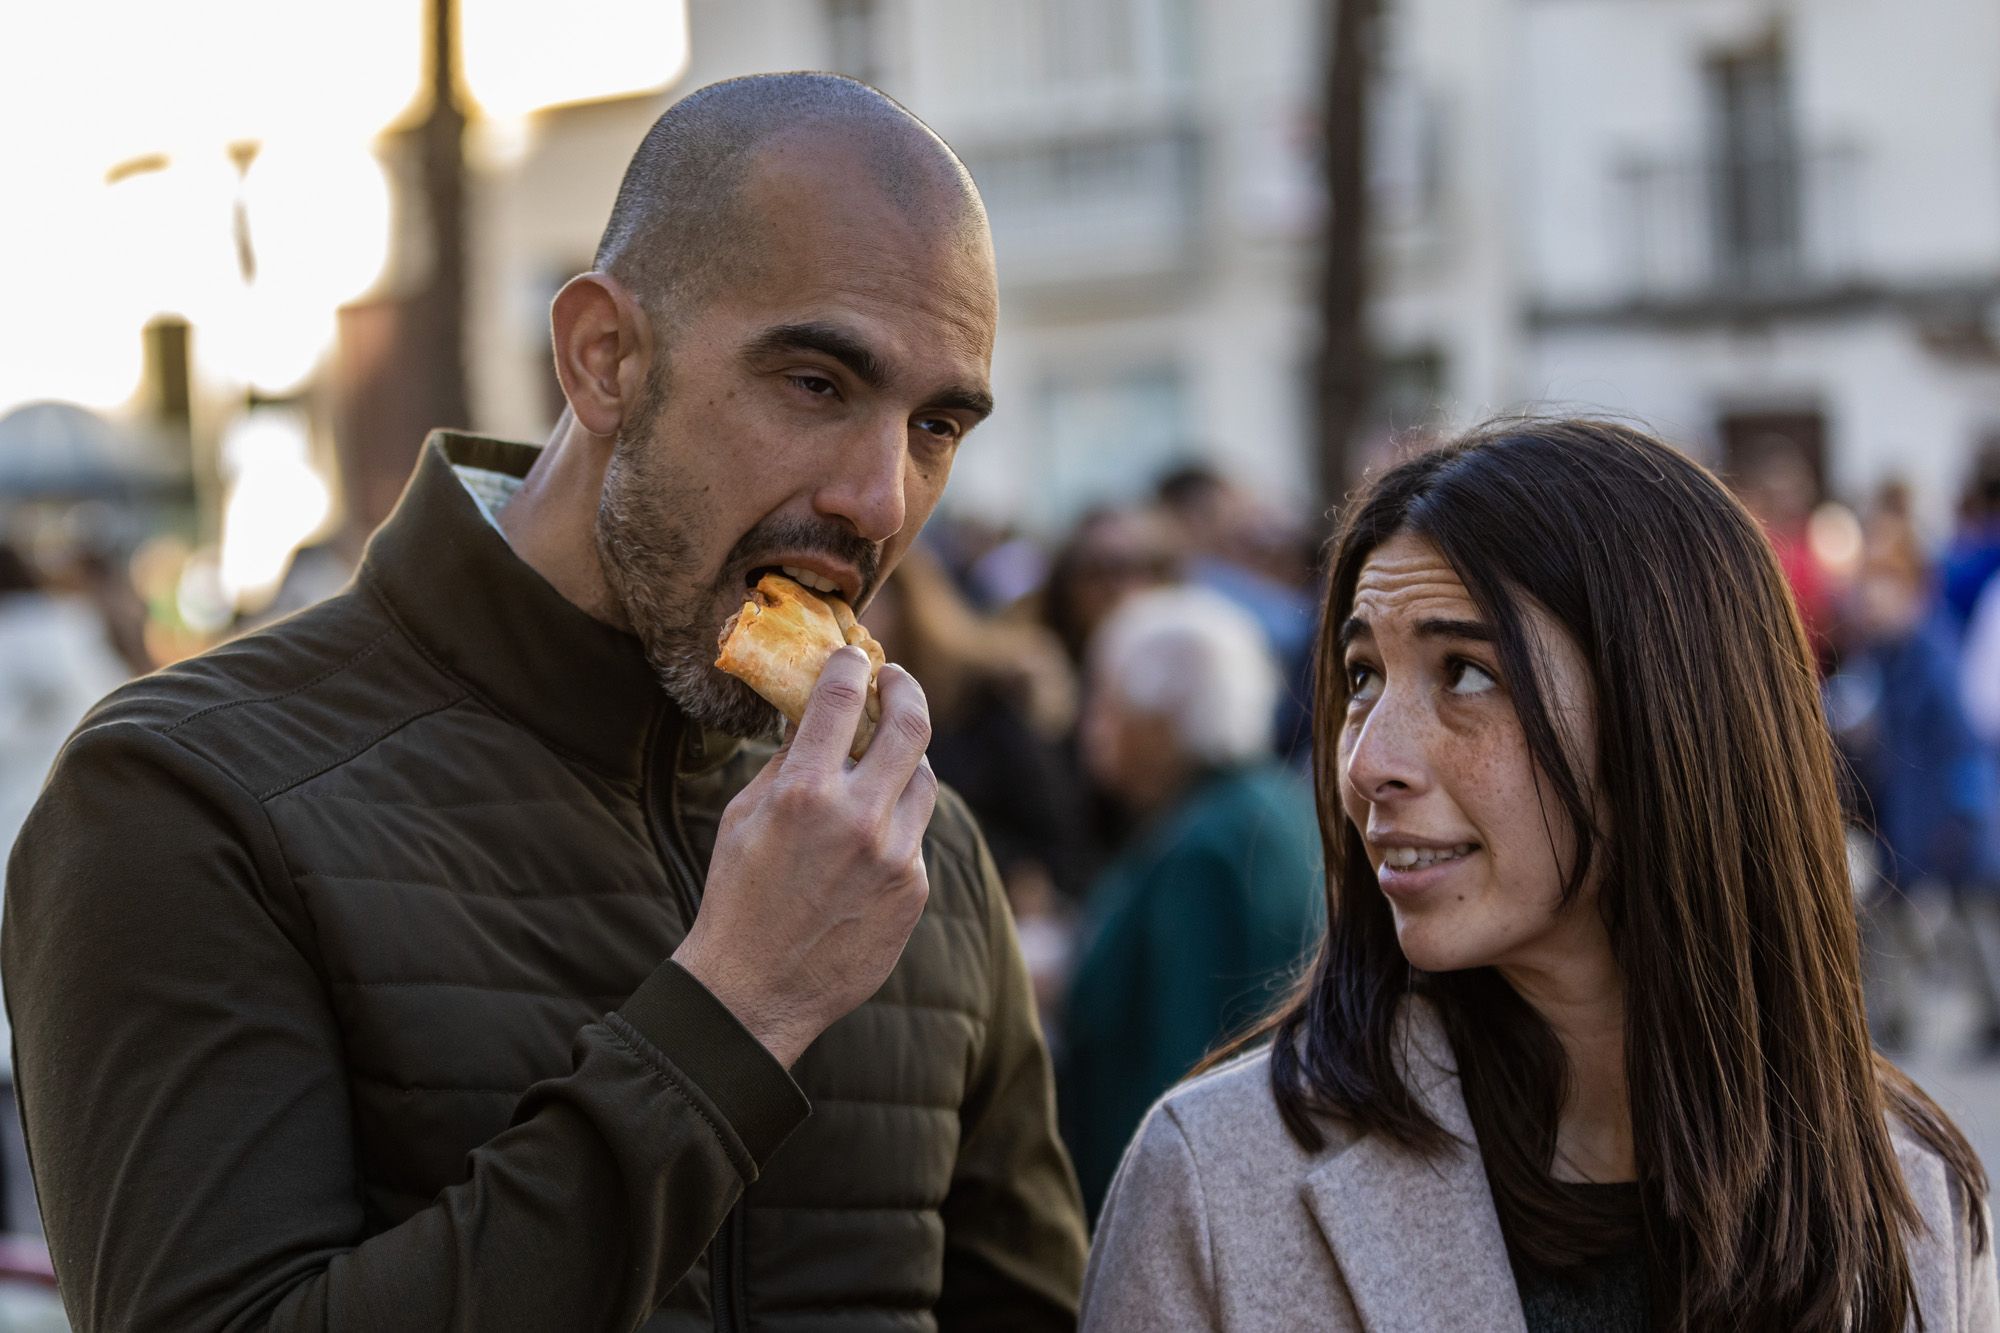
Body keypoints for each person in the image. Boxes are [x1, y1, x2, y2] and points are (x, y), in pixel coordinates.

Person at [5, 74, 1086, 1331]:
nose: (882, 498)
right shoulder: (188, 797)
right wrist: (735, 1011)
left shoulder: (912, 848)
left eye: (936, 424)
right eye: (815, 384)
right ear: (605, 358)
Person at [1081, 420, 1995, 1332]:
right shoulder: (1216, 1185)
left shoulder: (1912, 1193)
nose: (1366, 761)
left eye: (1467, 673)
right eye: (1362, 675)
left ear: (1669, 718)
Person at [1057, 585, 1321, 1221]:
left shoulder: (1206, 848)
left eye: (1109, 703)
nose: (1091, 728)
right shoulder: (1260, 805)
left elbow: (1180, 1066)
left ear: (1164, 716)